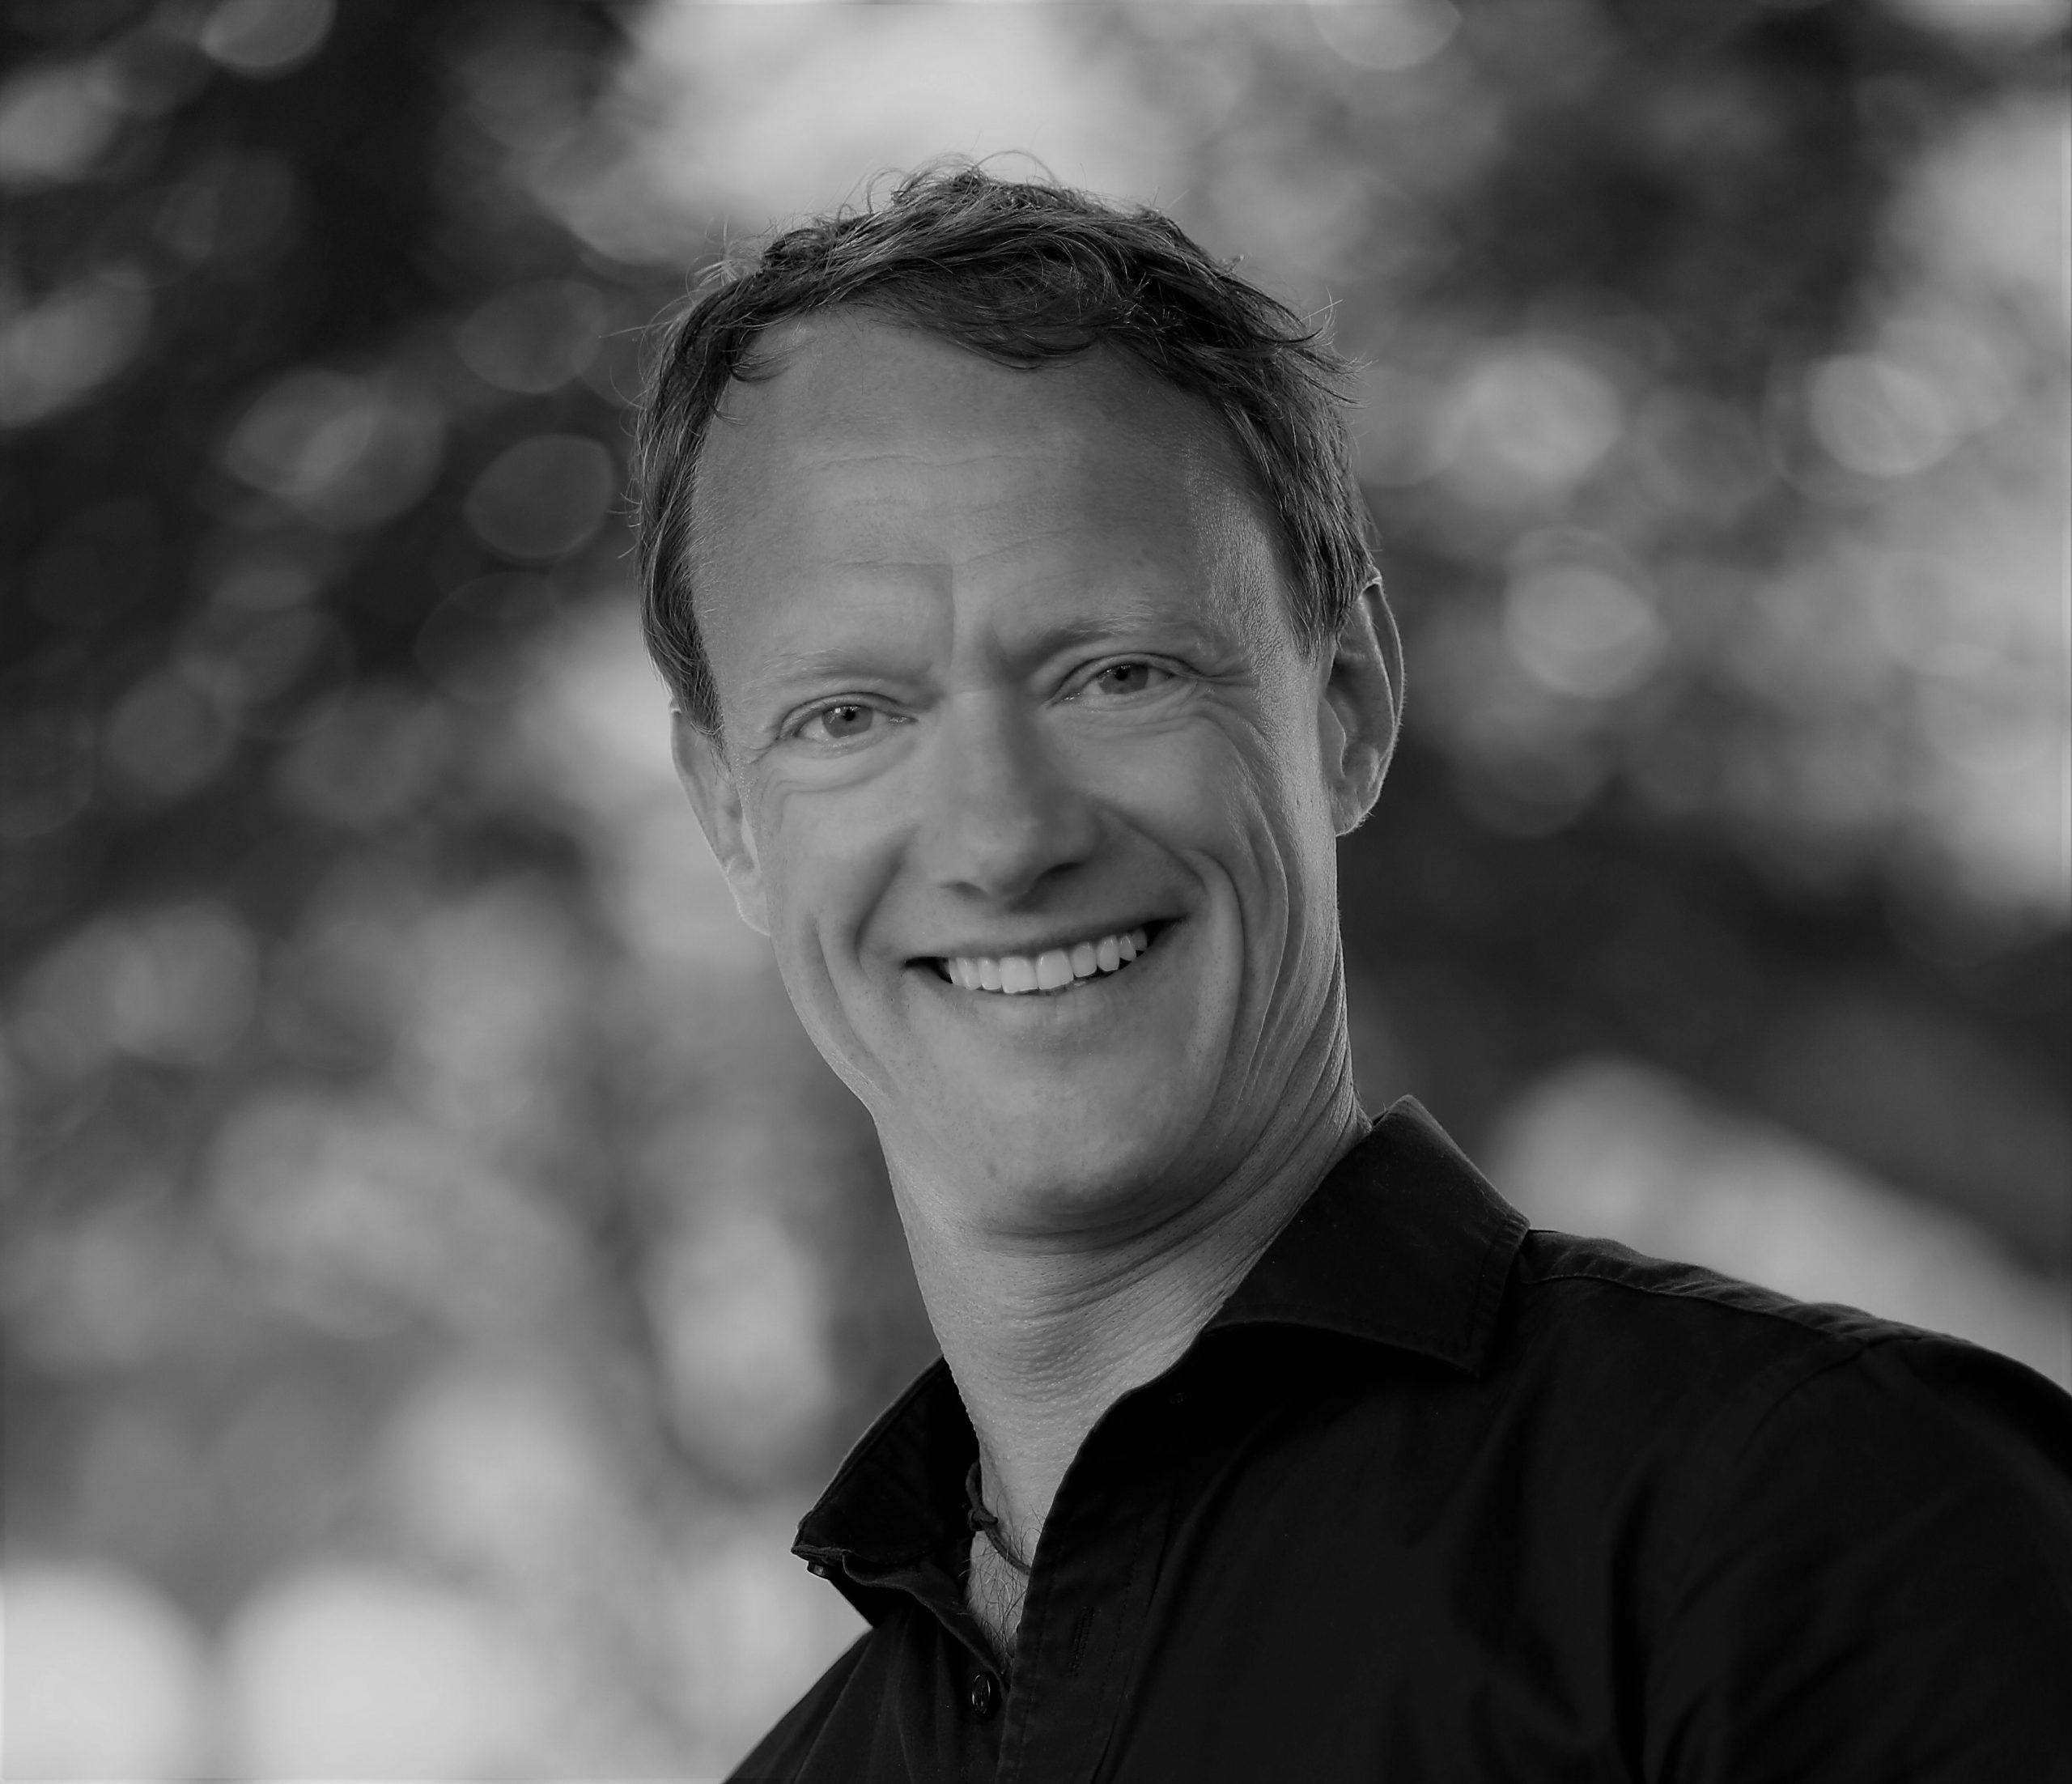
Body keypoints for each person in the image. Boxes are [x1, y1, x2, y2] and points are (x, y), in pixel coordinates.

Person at [633, 166, 2072, 1782]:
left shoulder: (1823, 1519)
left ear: (1347, 705)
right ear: (730, 816)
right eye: (848, 716)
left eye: (1116, 671)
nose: (1003, 837)